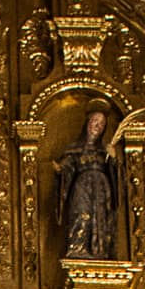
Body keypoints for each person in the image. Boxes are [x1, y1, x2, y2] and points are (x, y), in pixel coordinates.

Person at [56, 103, 126, 258]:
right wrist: (61, 170)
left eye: (101, 124)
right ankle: (78, 248)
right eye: (95, 121)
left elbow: (118, 176)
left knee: (100, 216)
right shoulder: (74, 148)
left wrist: (113, 159)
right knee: (81, 213)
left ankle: (100, 251)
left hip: (102, 187)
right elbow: (67, 166)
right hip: (82, 185)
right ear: (87, 123)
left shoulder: (105, 150)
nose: (98, 125)